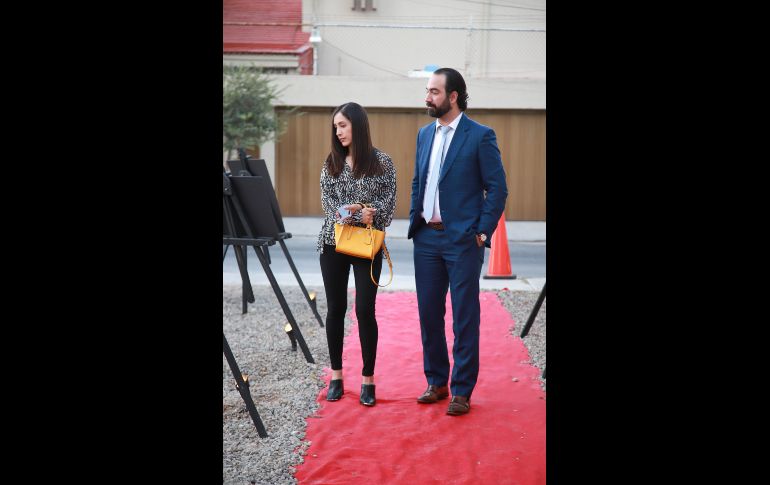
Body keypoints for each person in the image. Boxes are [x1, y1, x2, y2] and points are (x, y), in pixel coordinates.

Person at [407, 68, 508, 416]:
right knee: (428, 314)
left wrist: (481, 232)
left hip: (463, 242)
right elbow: (418, 181)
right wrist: (415, 218)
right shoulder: (424, 134)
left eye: (434, 91)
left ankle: (462, 390)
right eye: (427, 90)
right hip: (426, 240)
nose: (427, 97)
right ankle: (437, 381)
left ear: (453, 96)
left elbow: (498, 188)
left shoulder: (480, 136)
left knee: (465, 317)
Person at [317, 102, 397, 407]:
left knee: (365, 309)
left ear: (358, 126)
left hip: (367, 244)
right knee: (336, 308)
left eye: (343, 125)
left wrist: (370, 215)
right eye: (335, 127)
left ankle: (368, 380)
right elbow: (327, 205)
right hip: (333, 242)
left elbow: (389, 207)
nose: (338, 132)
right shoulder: (331, 162)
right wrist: (347, 212)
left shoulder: (383, 162)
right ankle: (336, 376)